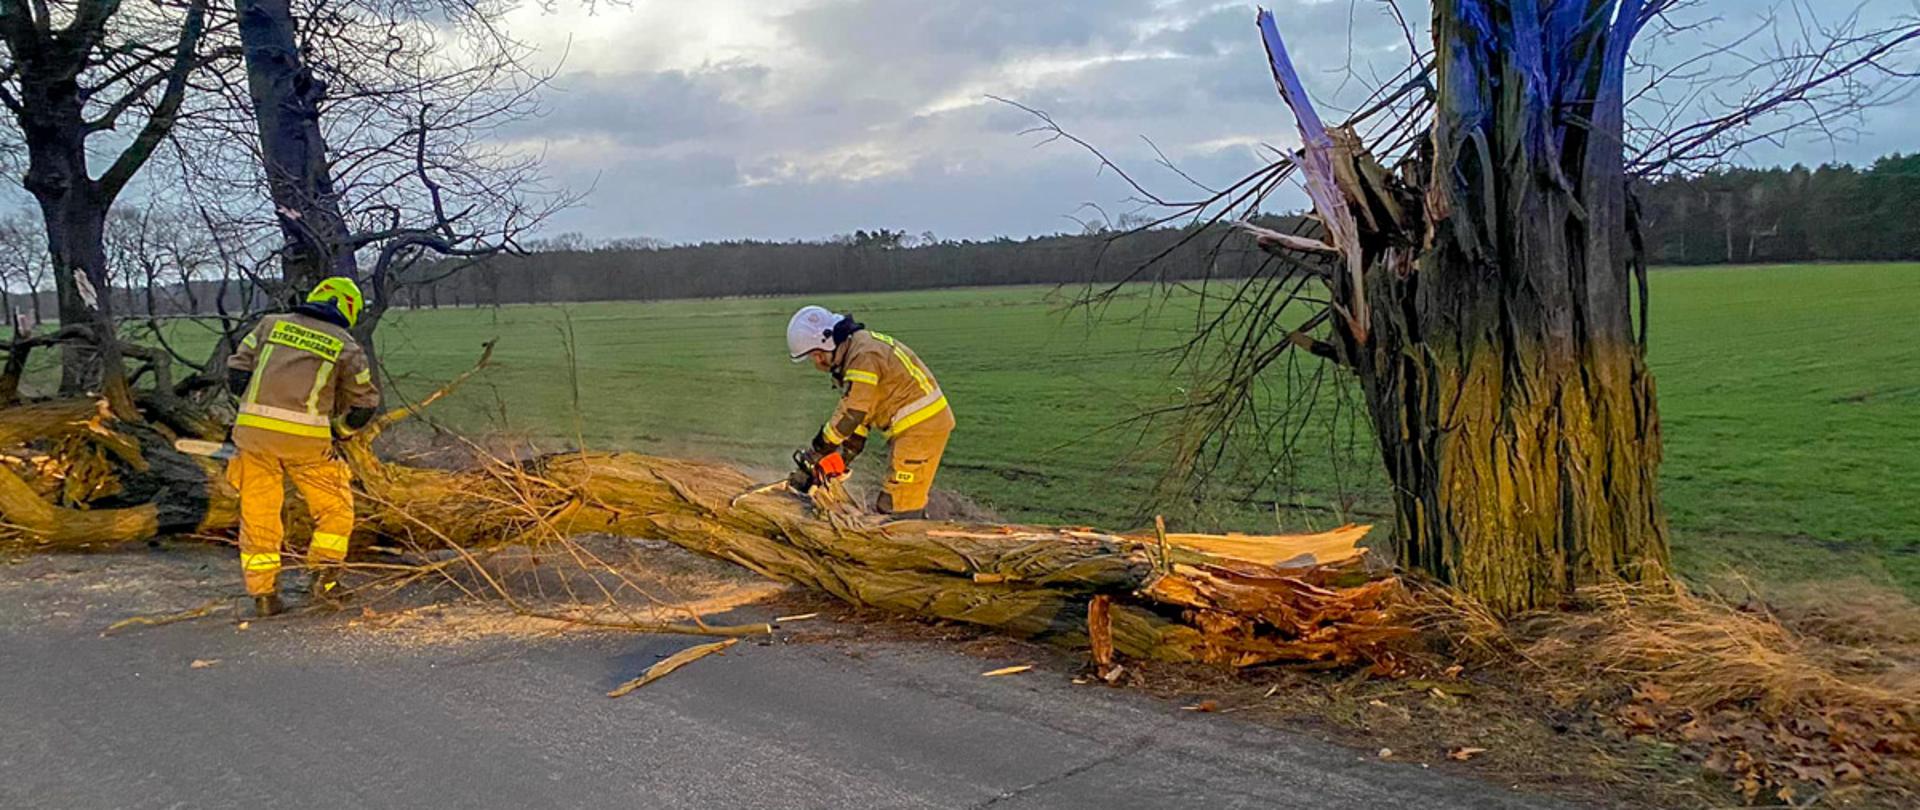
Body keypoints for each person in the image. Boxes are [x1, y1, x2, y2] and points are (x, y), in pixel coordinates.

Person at [225, 278, 380, 616]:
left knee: (259, 514)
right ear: (349, 310)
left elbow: (237, 371)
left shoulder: (270, 325)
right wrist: (338, 431)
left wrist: (256, 410)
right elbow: (365, 404)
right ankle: (324, 580)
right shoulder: (346, 347)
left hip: (253, 439)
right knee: (335, 509)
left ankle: (264, 596)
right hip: (308, 444)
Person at [786, 305, 955, 520]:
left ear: (829, 340)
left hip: (921, 429)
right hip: (917, 427)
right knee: (891, 502)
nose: (818, 363)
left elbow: (852, 414)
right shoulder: (857, 349)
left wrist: (817, 453)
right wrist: (842, 458)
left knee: (897, 505)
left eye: (817, 355)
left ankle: (911, 546)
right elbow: (861, 419)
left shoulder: (863, 357)